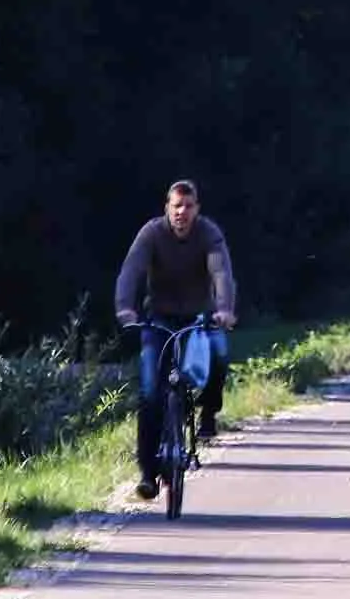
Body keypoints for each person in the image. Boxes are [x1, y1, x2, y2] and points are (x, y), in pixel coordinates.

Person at [113, 178, 239, 502]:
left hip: (199, 318)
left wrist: (224, 310)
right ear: (167, 209)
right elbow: (131, 270)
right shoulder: (152, 233)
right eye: (176, 206)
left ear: (197, 209)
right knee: (150, 392)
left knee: (219, 354)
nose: (182, 212)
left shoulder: (208, 234)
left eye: (188, 206)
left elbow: (221, 273)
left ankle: (208, 413)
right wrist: (125, 309)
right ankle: (146, 473)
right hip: (158, 319)